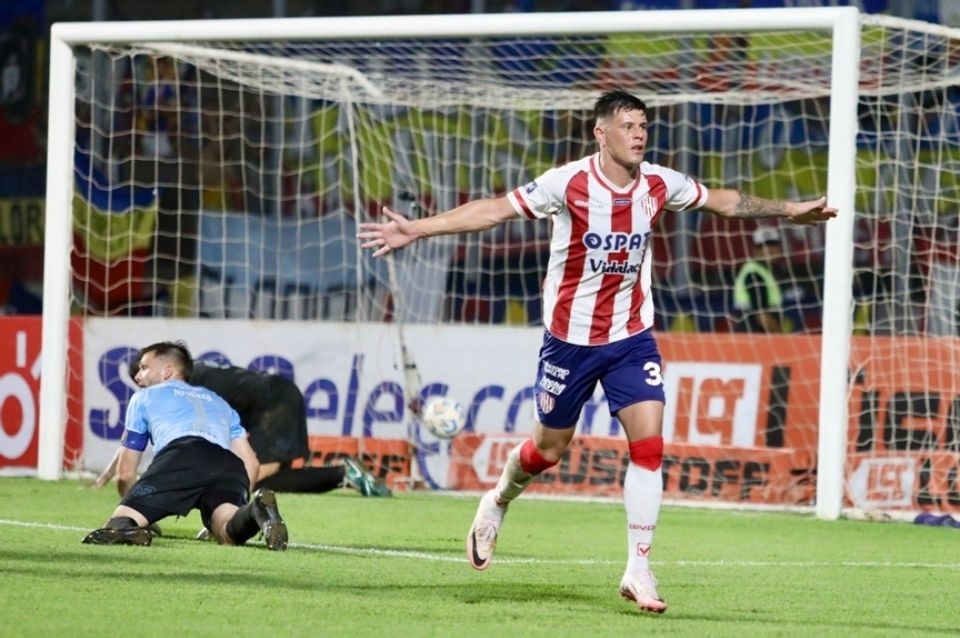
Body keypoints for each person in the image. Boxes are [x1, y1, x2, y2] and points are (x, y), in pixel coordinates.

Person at [357, 88, 837, 614]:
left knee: (649, 447)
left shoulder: (658, 183)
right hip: (570, 341)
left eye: (644, 126)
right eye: (628, 126)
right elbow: (494, 211)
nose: (639, 135)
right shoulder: (568, 183)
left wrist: (790, 210)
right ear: (601, 133)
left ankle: (638, 568)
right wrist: (417, 229)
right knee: (547, 452)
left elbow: (722, 200)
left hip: (631, 337)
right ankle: (498, 499)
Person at [82, 340, 289, 551]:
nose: (137, 376)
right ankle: (254, 511)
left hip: (181, 454)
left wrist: (134, 507)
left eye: (144, 367)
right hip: (227, 464)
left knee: (115, 526)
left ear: (167, 371)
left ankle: (129, 529)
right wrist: (240, 500)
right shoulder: (219, 402)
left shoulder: (144, 397)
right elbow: (252, 464)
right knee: (227, 531)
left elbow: (125, 474)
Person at [93, 357, 391, 498]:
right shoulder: (188, 375)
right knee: (271, 480)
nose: (142, 384)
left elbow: (141, 432)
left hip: (274, 404)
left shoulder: (182, 388)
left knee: (250, 481)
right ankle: (344, 474)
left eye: (144, 374)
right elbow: (135, 435)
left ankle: (343, 473)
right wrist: (109, 472)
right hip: (278, 396)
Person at [732, 226, 788, 333]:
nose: (769, 250)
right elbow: (762, 316)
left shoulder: (768, 272)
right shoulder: (754, 273)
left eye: (773, 244)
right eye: (762, 246)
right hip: (753, 336)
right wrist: (780, 338)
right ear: (755, 250)